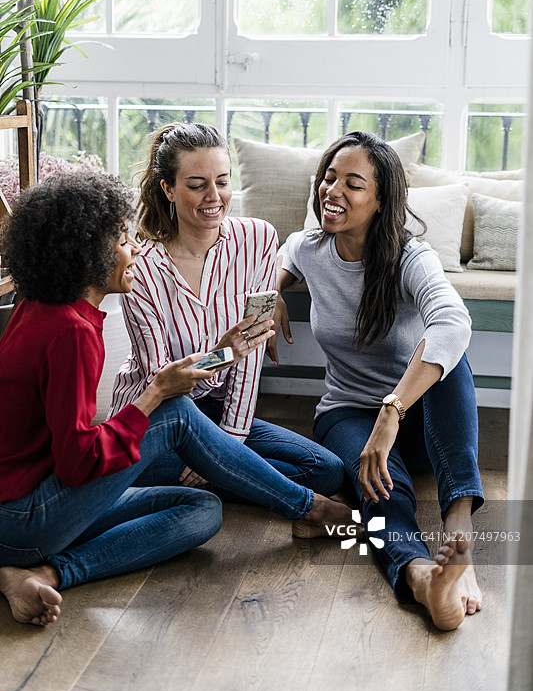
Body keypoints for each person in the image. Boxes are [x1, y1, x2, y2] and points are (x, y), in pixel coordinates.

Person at [0, 171, 354, 627]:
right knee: (175, 414)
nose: (133, 249)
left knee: (204, 509)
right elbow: (82, 458)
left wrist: (224, 360)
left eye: (223, 181)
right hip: (28, 514)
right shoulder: (78, 327)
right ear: (86, 255)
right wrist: (155, 396)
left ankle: (35, 573)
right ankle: (311, 509)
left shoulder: (43, 307)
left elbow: (210, 365)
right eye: (122, 241)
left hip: (33, 503)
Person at [272, 131, 485, 631]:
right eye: (329, 178)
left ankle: (460, 531)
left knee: (452, 358)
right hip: (346, 414)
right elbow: (283, 256)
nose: (333, 191)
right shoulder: (310, 248)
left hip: (416, 421)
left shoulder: (411, 257)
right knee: (383, 491)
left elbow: (453, 322)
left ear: (382, 200)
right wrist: (273, 290)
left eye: (353, 184)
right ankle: (422, 577)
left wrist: (392, 410)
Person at [109, 122, 345, 498]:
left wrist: (228, 441)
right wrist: (222, 355)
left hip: (218, 411)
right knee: (134, 467)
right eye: (197, 185)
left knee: (326, 472)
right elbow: (162, 381)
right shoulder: (143, 268)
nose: (213, 196)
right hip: (158, 418)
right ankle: (238, 483)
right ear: (168, 189)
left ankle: (223, 479)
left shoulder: (259, 239)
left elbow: (251, 351)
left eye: (222, 181)